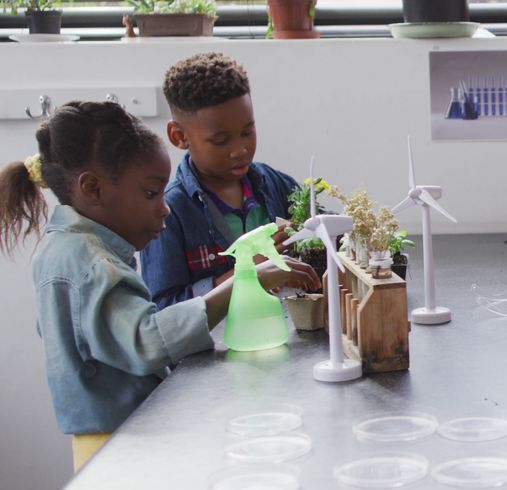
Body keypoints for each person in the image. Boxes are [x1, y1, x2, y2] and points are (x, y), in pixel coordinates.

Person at [0, 101, 318, 470]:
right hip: (118, 444)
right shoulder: (89, 263)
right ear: (93, 188)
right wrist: (244, 281)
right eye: (151, 193)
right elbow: (147, 341)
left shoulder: (65, 249)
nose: (164, 208)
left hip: (108, 440)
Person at [141, 52, 301, 309]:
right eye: (220, 140)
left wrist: (311, 235)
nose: (239, 150)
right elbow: (163, 312)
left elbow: (330, 240)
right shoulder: (168, 215)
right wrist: (248, 271)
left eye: (247, 132)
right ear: (179, 136)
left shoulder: (278, 186)